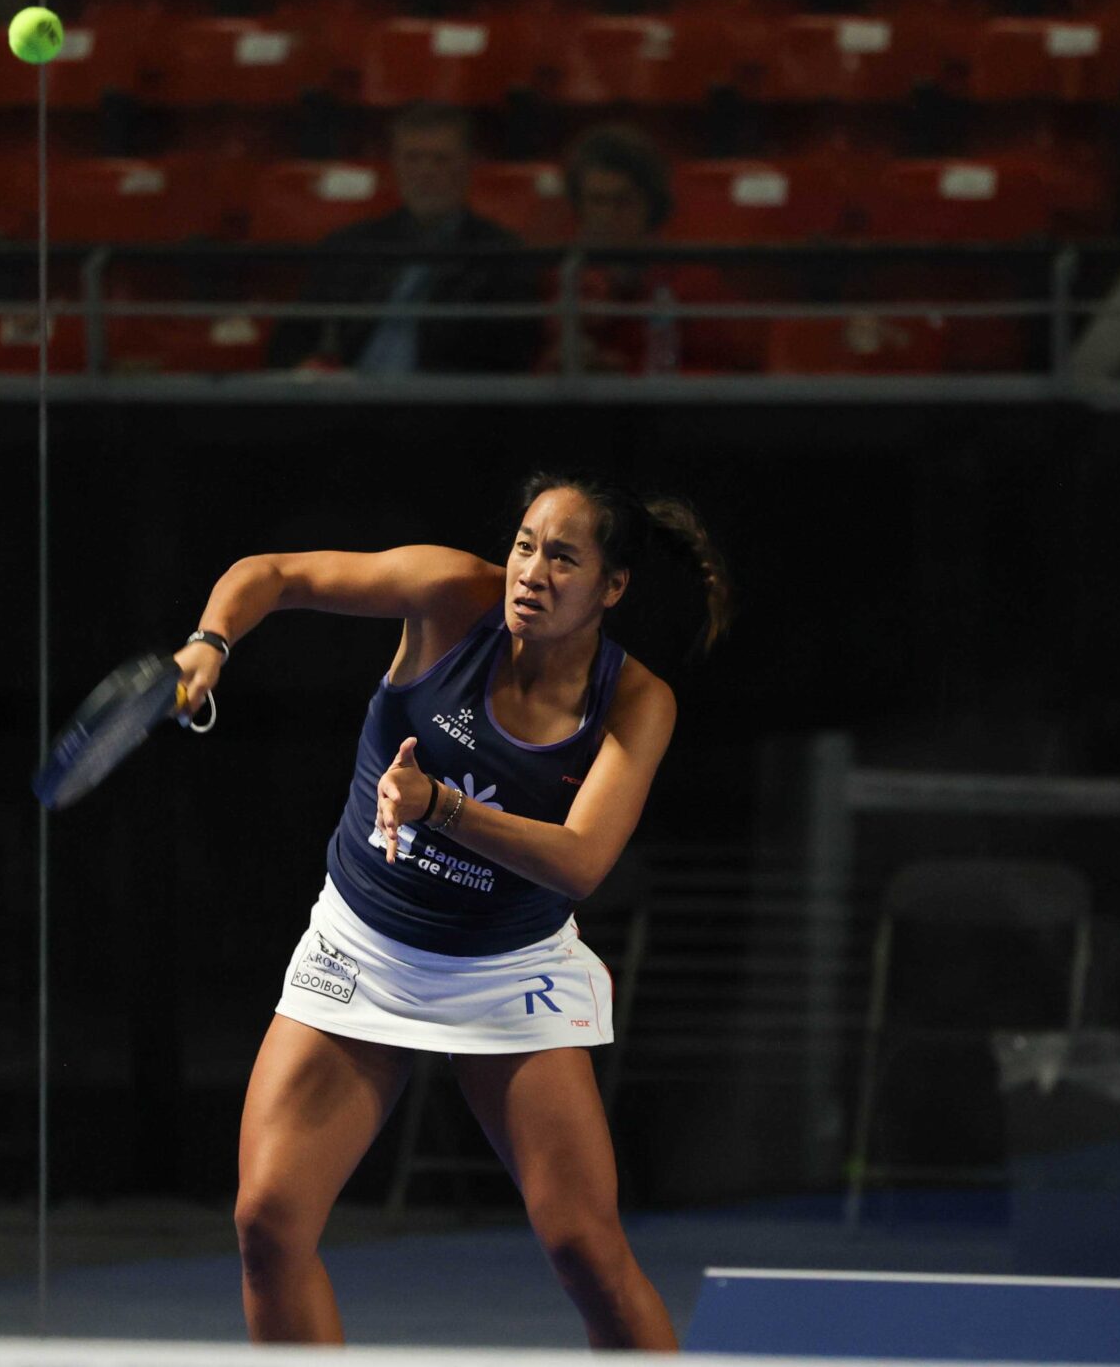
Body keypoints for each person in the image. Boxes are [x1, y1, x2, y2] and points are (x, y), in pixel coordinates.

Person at [170, 472, 732, 1348]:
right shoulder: (447, 596)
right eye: (525, 545)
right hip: (364, 946)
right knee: (267, 1222)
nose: (531, 572)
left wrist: (439, 807)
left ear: (611, 587)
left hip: (510, 968)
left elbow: (581, 860)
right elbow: (274, 573)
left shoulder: (634, 702)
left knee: (586, 1247)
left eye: (563, 558)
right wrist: (209, 643)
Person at [268, 104, 541, 375]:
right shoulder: (351, 246)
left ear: (469, 165)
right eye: (412, 158)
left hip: (444, 396)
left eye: (441, 159)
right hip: (347, 393)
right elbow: (292, 338)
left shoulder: (502, 255)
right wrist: (307, 365)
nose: (425, 172)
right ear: (395, 165)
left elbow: (510, 357)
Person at [549, 124, 756, 375]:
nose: (607, 216)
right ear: (579, 205)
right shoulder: (565, 280)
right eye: (597, 201)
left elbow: (728, 371)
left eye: (623, 201)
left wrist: (628, 374)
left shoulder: (692, 282)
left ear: (651, 205)